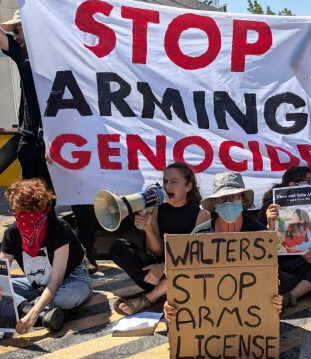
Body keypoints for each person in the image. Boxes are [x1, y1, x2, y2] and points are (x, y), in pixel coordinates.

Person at [164, 171, 282, 319]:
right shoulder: (200, 235)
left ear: (243, 201)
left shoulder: (258, 233)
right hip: (209, 314)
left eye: (234, 197)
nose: (228, 202)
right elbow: (186, 278)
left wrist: (272, 300)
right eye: (222, 199)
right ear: (214, 203)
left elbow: (266, 278)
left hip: (248, 315)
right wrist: (172, 303)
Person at [109, 162, 210, 316]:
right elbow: (157, 251)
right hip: (158, 275)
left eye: (174, 182)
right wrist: (148, 228)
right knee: (119, 247)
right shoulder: (157, 208)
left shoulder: (201, 215)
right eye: (165, 182)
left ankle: (153, 296)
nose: (167, 187)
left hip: (185, 272)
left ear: (188, 187)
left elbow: (194, 256)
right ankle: (166, 291)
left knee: (190, 269)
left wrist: (162, 267)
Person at [1, 179, 92, 333]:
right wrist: (30, 309)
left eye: (29, 211)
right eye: (19, 210)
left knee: (68, 295)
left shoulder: (58, 228)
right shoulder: (12, 233)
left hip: (70, 280)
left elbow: (56, 281)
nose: (23, 216)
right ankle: (39, 311)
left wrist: (33, 312)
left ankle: (33, 310)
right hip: (37, 284)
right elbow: (2, 275)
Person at [258, 166, 311, 307]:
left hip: (305, 263)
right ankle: (302, 287)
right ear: (293, 184)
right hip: (280, 264)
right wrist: (270, 224)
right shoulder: (271, 207)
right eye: (308, 181)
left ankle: (289, 297)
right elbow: (259, 247)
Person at [1, 11, 53, 190]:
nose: (14, 36)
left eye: (17, 29)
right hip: (30, 141)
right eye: (13, 31)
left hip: (59, 141)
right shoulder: (22, 57)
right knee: (35, 202)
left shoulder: (59, 56)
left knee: (67, 201)